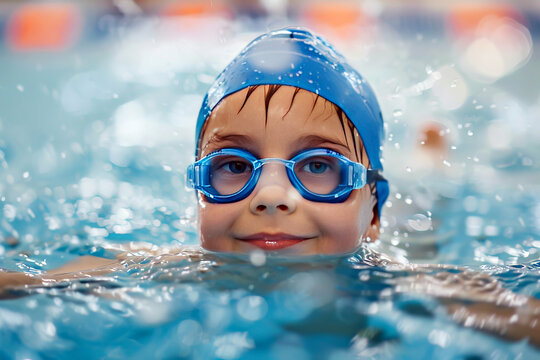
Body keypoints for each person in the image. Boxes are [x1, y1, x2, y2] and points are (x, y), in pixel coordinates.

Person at [1, 27, 539, 347]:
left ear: (370, 206)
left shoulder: (414, 286)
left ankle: (430, 160)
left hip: (393, 248)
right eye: (234, 166)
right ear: (198, 191)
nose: (271, 196)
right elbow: (33, 282)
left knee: (420, 219)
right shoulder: (175, 271)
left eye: (318, 167)